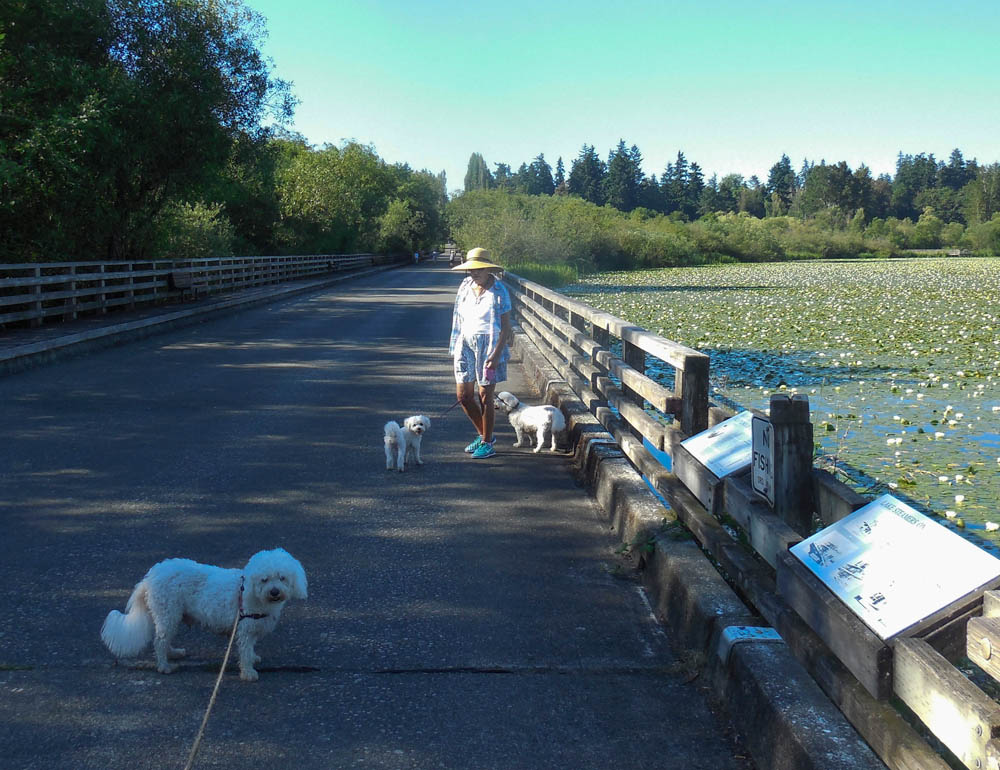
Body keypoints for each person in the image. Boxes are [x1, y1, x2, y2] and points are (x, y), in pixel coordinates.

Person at [448, 247, 512, 459]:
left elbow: (505, 328)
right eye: (471, 270)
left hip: (489, 345)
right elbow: (458, 317)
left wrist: (495, 355)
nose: (474, 274)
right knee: (464, 396)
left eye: (479, 270)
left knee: (485, 395)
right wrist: (455, 344)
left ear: (488, 269)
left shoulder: (499, 290)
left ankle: (487, 442)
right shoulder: (465, 285)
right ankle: (484, 435)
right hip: (465, 343)